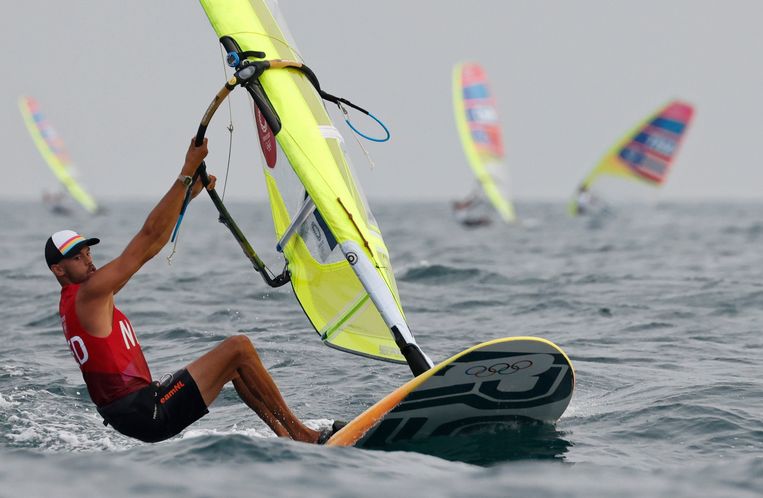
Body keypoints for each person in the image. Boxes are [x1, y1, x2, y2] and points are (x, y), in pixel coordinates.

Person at [46, 138, 336, 444]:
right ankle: (303, 434)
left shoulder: (79, 300)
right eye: (77, 257)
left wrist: (187, 195)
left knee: (236, 366)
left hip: (135, 410)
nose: (89, 261)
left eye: (88, 252)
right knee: (239, 347)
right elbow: (148, 239)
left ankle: (287, 436)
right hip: (146, 411)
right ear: (58, 270)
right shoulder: (90, 293)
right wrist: (186, 171)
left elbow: (150, 245)